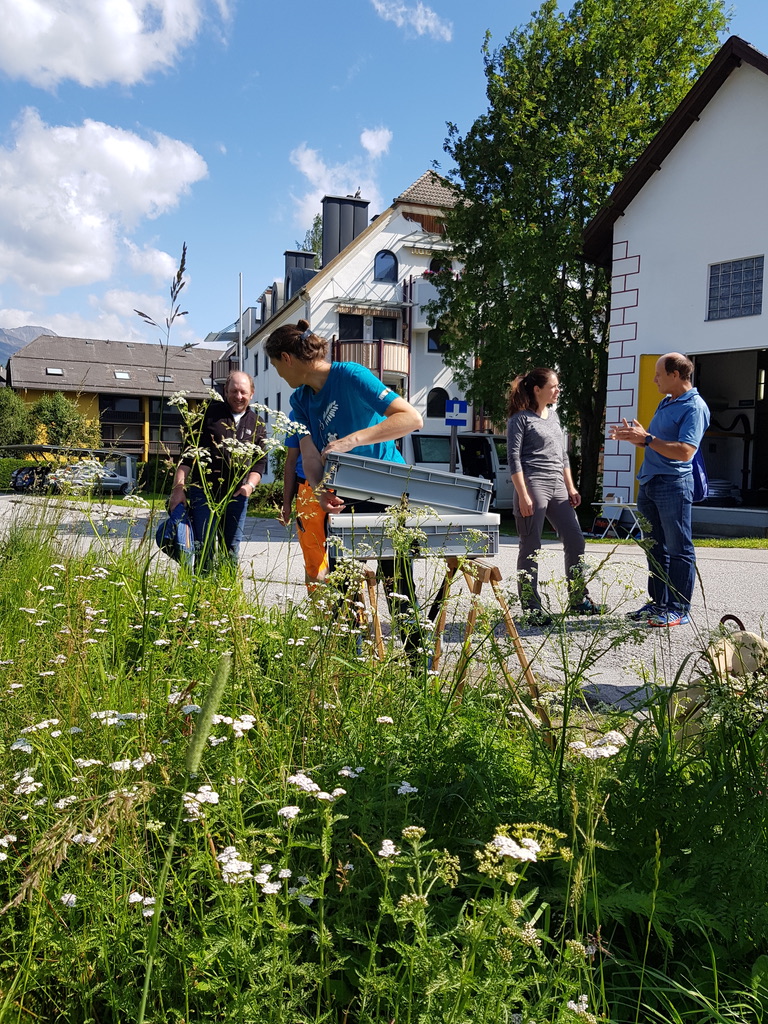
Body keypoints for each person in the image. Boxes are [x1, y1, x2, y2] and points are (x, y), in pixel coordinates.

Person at [264, 319, 424, 642]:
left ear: (287, 359)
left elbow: (411, 418)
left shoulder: (350, 375)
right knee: (342, 588)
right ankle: (349, 673)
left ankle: (417, 671)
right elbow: (309, 457)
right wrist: (321, 490)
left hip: (386, 489)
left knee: (398, 587)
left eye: (276, 367)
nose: (279, 376)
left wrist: (353, 440)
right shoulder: (301, 402)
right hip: (344, 496)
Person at [609, 352, 710, 627]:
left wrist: (649, 438)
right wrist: (638, 437)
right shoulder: (667, 402)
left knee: (679, 549)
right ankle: (658, 605)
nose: (654, 379)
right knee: (655, 548)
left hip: (673, 484)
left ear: (675, 375)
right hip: (650, 482)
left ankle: (678, 608)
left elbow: (686, 451)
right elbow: (657, 443)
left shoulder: (695, 407)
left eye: (658, 374)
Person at [506, 367, 601, 624]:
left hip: (557, 484)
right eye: (554, 386)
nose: (558, 391)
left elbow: (563, 455)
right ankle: (531, 606)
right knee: (531, 546)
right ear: (538, 390)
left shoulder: (555, 417)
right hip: (532, 483)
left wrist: (570, 487)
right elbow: (513, 459)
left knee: (575, 538)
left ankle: (578, 598)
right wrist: (522, 494)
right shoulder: (520, 419)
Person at [169, 370, 266, 572]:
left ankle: (226, 592)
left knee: (230, 548)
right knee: (203, 546)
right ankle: (202, 592)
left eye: (243, 392)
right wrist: (178, 489)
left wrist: (249, 486)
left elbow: (259, 464)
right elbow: (187, 457)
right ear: (225, 391)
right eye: (234, 391)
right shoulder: (208, 415)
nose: (239, 397)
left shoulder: (257, 423)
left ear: (252, 393)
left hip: (237, 496)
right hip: (203, 492)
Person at [281, 412, 329, 590]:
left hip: (342, 487)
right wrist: (286, 503)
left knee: (347, 555)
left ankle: (353, 615)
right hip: (307, 490)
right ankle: (320, 614)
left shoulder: (341, 401)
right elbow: (291, 460)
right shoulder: (297, 413)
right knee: (313, 557)